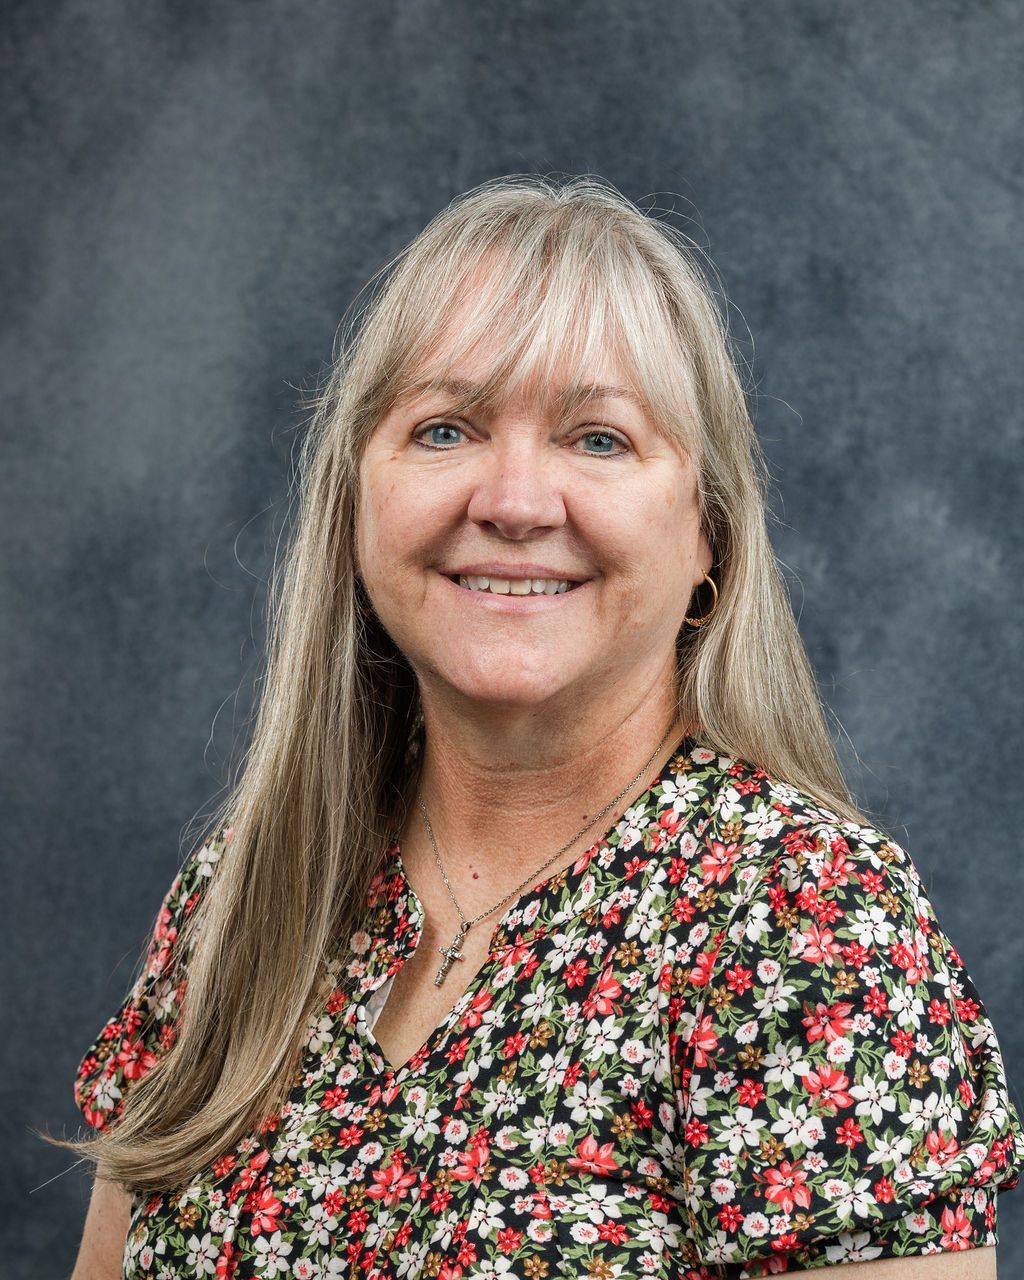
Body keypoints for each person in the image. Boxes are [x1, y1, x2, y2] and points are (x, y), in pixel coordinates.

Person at [54, 175, 1023, 1279]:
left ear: (706, 535)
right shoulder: (244, 896)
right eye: (446, 427)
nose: (514, 500)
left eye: (598, 438)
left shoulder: (803, 923)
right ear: (355, 502)